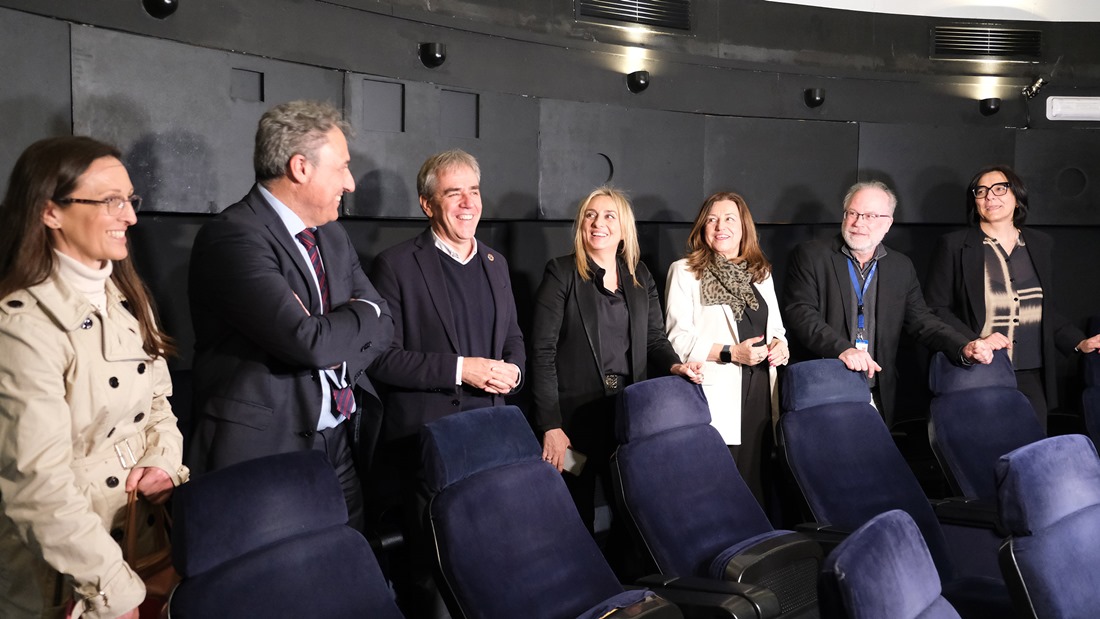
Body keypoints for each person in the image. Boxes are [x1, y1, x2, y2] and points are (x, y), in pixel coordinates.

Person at [0, 136, 189, 619]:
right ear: (50, 212)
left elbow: (161, 404)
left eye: (130, 200)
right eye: (111, 202)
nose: (130, 217)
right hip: (71, 572)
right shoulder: (21, 326)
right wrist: (111, 589)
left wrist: (165, 461)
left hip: (143, 541)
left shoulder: (127, 296)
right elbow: (38, 488)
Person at [187, 100, 393, 532]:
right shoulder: (232, 238)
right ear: (301, 167)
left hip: (337, 442)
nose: (351, 183)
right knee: (278, 589)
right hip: (265, 453)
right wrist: (353, 319)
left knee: (346, 570)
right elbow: (308, 342)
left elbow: (383, 320)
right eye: (342, 168)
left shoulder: (332, 235)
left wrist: (348, 323)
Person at [367, 148, 524, 618]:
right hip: (431, 447)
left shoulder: (496, 263)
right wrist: (462, 369)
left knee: (491, 567)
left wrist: (513, 371)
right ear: (427, 204)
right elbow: (381, 360)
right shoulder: (395, 265)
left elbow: (514, 337)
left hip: (493, 442)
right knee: (432, 579)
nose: (467, 203)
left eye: (473, 191)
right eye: (453, 193)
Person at [530, 186, 702, 573]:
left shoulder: (639, 276)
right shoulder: (561, 273)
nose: (598, 223)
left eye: (609, 216)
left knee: (631, 513)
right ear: (580, 224)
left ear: (624, 228)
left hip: (628, 414)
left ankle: (630, 598)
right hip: (574, 421)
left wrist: (676, 366)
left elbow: (655, 339)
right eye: (591, 215)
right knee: (575, 516)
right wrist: (550, 425)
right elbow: (541, 353)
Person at [783, 180, 1001, 427]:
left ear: (888, 223)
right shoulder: (811, 255)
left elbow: (923, 322)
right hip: (824, 387)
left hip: (876, 390)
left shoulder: (900, 266)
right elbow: (800, 313)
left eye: (870, 216)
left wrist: (963, 347)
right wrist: (843, 349)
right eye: (853, 213)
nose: (859, 223)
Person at [925, 165, 1100, 430]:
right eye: (981, 192)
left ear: (1017, 196)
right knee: (986, 453)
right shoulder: (954, 245)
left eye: (999, 189)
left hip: (1032, 372)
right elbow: (936, 308)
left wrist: (1080, 341)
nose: (990, 197)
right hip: (980, 370)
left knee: (1032, 453)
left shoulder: (1040, 243)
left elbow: (1042, 309)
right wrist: (975, 341)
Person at [664, 192, 787, 505]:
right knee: (719, 492)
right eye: (712, 219)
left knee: (758, 486)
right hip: (717, 397)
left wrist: (780, 346)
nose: (720, 226)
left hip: (760, 391)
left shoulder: (760, 272)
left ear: (744, 227)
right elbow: (678, 340)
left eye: (729, 218)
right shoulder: (685, 271)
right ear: (702, 227)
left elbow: (775, 329)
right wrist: (732, 353)